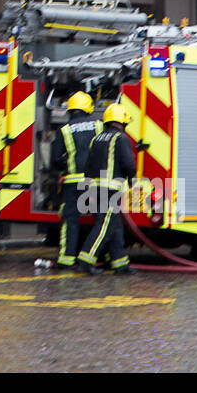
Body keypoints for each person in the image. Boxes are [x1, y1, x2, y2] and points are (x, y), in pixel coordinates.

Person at [77, 102, 136, 275]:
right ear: (122, 121)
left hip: (95, 187)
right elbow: (128, 163)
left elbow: (88, 166)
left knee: (115, 226)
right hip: (110, 189)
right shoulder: (121, 138)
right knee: (103, 226)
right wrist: (132, 179)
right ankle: (86, 260)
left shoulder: (97, 138)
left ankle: (120, 264)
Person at [49, 91, 101, 269]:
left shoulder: (64, 129)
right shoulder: (98, 125)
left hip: (72, 183)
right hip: (95, 182)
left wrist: (66, 162)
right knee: (100, 221)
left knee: (70, 221)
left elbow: (56, 159)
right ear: (88, 108)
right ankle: (95, 258)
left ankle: (66, 259)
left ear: (70, 110)